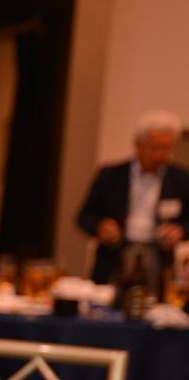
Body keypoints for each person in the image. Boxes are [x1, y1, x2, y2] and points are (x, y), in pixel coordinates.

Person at [78, 109, 189, 287]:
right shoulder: (110, 175)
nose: (161, 155)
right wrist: (101, 227)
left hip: (158, 258)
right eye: (154, 148)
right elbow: (84, 216)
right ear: (137, 144)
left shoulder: (181, 179)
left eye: (167, 148)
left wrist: (180, 231)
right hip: (114, 256)